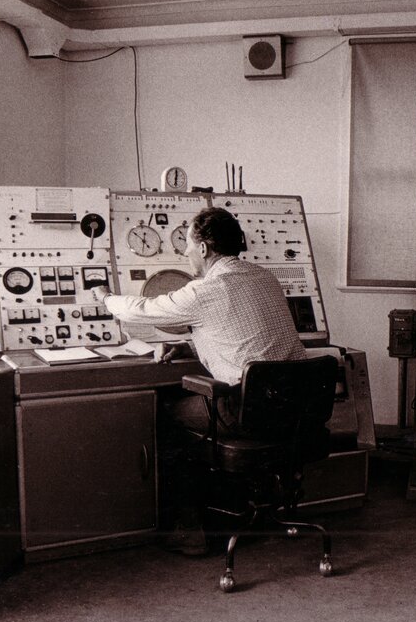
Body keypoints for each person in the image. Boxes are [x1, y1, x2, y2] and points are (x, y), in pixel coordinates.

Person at [91, 206, 306, 554]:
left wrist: (104, 297)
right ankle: (241, 507)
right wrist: (187, 344)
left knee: (164, 413)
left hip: (243, 412)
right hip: (291, 409)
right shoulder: (265, 277)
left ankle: (189, 529)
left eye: (187, 246)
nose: (186, 253)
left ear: (204, 248)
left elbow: (143, 310)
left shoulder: (205, 290)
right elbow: (240, 331)